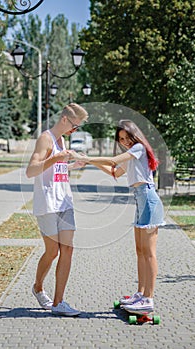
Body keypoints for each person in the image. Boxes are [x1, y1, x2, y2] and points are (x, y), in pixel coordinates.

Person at [71, 119, 165, 314]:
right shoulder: (132, 157)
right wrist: (89, 162)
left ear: (134, 135)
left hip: (148, 198)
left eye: (126, 137)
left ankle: (148, 298)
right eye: (121, 139)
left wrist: (88, 160)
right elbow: (114, 171)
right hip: (140, 200)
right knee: (140, 251)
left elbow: (113, 161)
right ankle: (140, 294)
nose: (125, 142)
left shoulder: (138, 148)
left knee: (149, 253)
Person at [26, 103, 88, 316]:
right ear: (64, 120)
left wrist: (71, 166)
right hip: (48, 205)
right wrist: (55, 158)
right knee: (52, 252)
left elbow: (56, 168)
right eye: (74, 126)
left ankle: (58, 302)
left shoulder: (62, 140)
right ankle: (38, 287)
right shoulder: (46, 138)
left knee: (68, 249)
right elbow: (31, 171)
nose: (75, 130)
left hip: (64, 202)